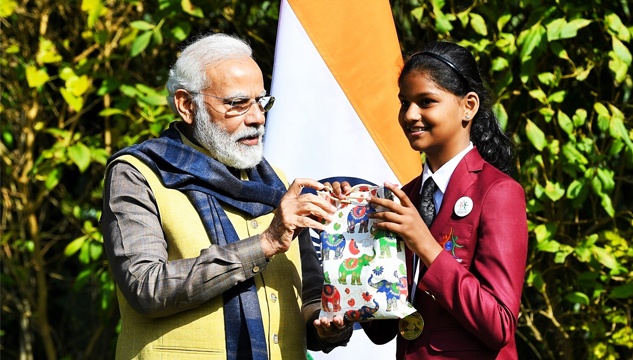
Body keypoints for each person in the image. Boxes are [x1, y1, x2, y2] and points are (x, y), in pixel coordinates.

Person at [101, 33, 352, 359]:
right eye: (237, 104)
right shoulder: (138, 172)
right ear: (186, 105)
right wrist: (265, 243)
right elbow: (147, 287)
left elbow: (309, 295)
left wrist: (327, 320)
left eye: (261, 102)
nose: (257, 118)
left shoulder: (274, 180)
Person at [329, 41, 528, 359]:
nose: (410, 115)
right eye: (404, 102)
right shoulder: (403, 198)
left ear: (469, 106)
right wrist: (353, 231)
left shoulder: (498, 192)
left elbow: (500, 324)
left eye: (426, 101)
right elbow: (382, 330)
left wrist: (425, 245)